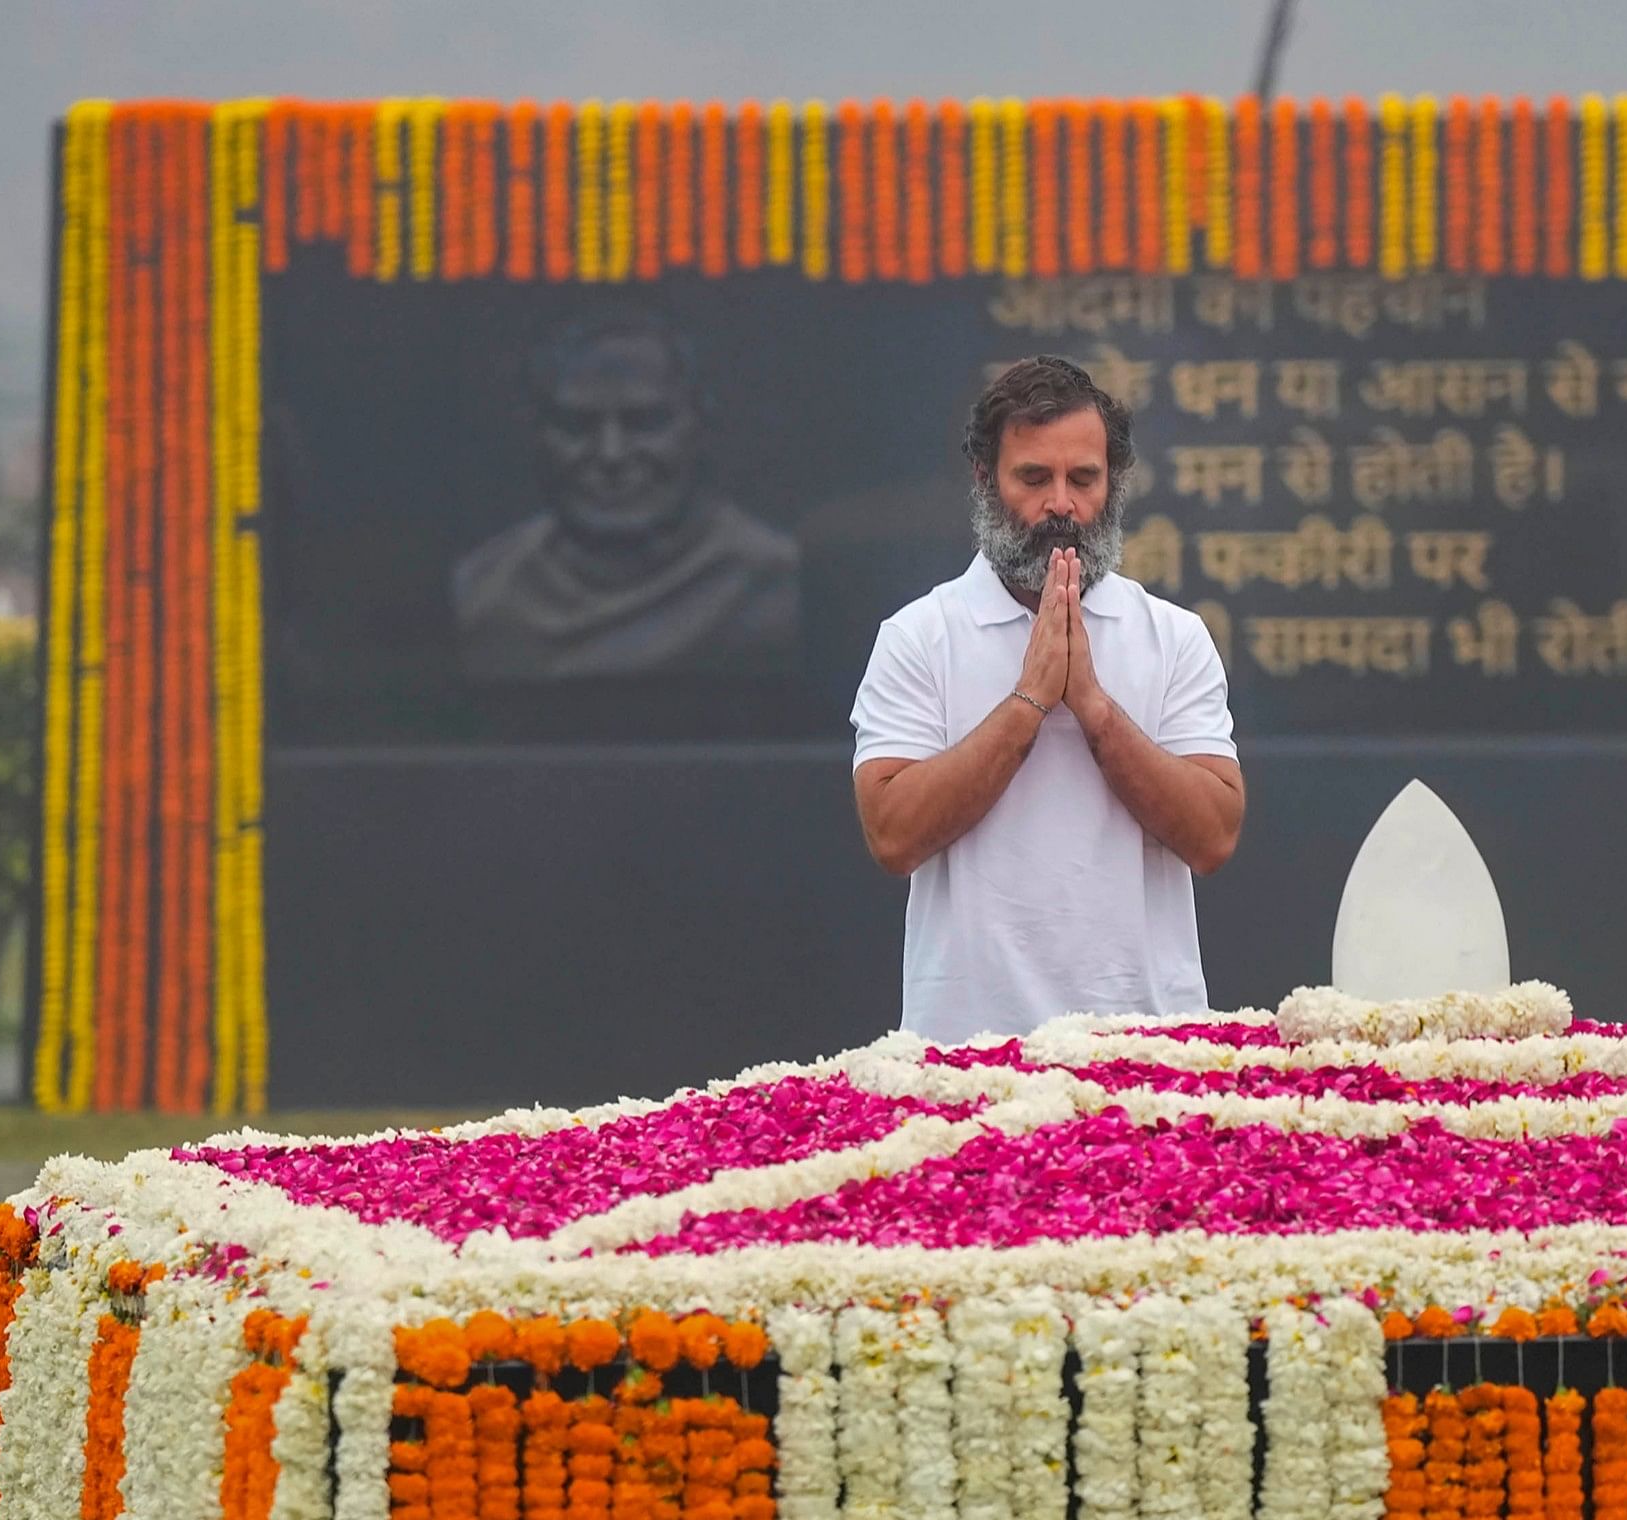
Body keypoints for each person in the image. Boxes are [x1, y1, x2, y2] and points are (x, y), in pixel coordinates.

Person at [849, 355, 1245, 1040]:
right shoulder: (918, 637)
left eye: (1082, 479)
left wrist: (1092, 707)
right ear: (985, 480)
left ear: (1112, 487)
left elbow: (1213, 836)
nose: (1061, 505)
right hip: (964, 1055)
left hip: (1150, 1055)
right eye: (1033, 478)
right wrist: (1028, 702)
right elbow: (892, 834)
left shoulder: (1174, 637)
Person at [454, 312, 801, 680]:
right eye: (577, 425)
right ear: (536, 435)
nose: (611, 454)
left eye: (646, 422)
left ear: (700, 427)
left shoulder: (778, 583)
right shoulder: (480, 591)